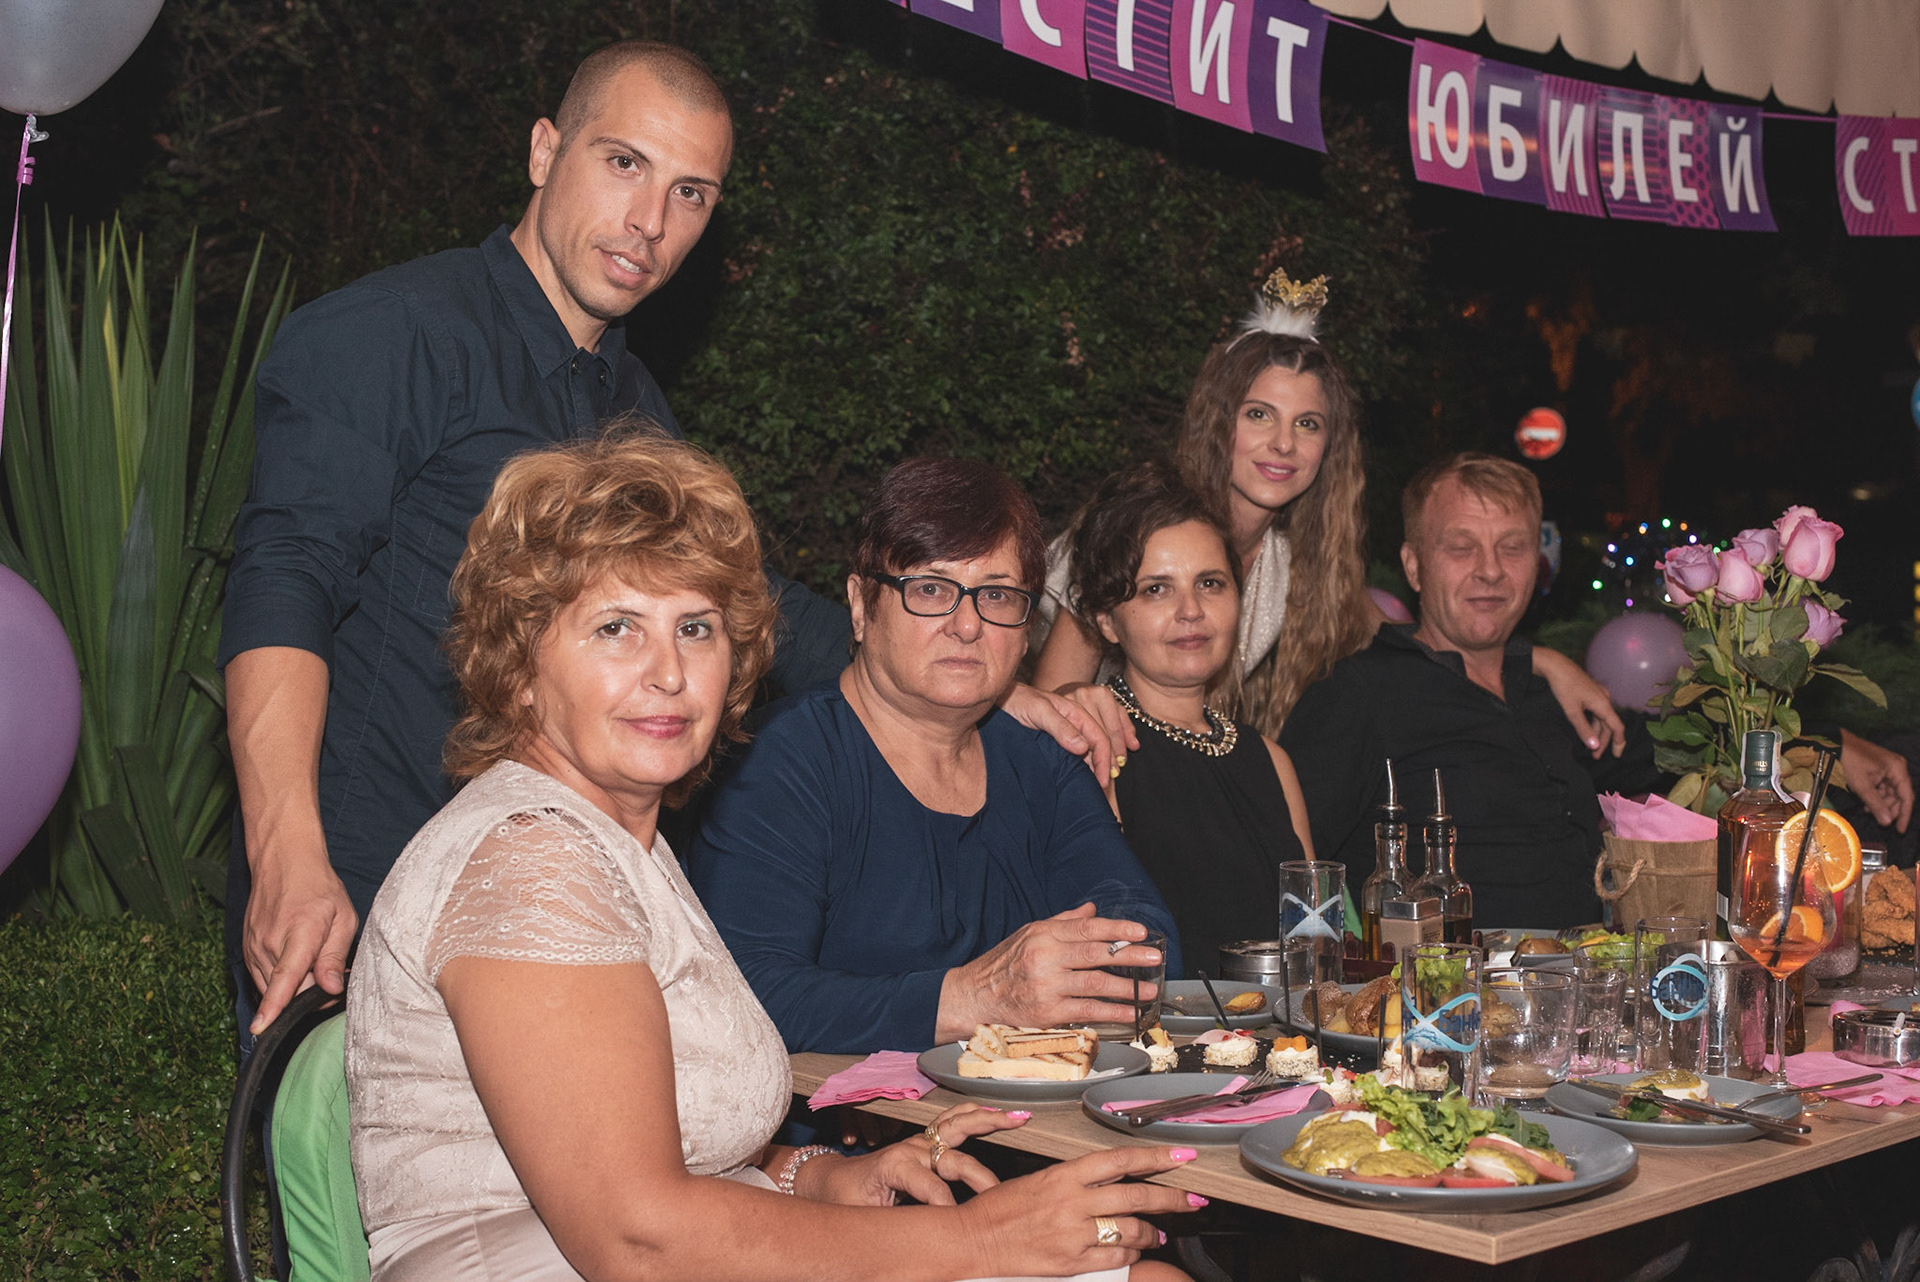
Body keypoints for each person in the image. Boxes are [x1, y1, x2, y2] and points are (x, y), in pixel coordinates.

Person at [221, 40, 1115, 1039]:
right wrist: (285, 854)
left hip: (559, 900)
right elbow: (284, 579)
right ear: (544, 150)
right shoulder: (391, 332)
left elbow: (752, 604)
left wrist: (971, 676)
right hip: (365, 898)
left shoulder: (634, 404)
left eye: (691, 193)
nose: (650, 221)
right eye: (624, 163)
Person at [346, 427, 1195, 1282]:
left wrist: (815, 1176)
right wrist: (981, 1240)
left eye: (696, 628)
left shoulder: (623, 845)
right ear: (522, 664)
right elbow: (637, 1239)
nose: (668, 672)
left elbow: (674, 1153)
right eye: (615, 628)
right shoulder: (532, 863)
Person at [686, 458, 1181, 1053]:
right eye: (930, 590)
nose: (967, 625)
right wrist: (972, 998)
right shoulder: (779, 762)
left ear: (1027, 626)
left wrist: (1084, 971)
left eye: (997, 595)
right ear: (861, 606)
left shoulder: (1041, 757)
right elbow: (749, 993)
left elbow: (1148, 936)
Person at [1032, 269, 1625, 754]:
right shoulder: (1136, 524)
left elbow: (1414, 642)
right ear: (1218, 422)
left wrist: (1540, 660)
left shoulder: (1295, 563)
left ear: (1328, 448)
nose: (1283, 444)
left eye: (1308, 424)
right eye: (1259, 414)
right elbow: (1054, 706)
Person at [1280, 454, 1666, 927]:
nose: (1490, 570)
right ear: (1414, 566)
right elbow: (1281, 867)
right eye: (1462, 548)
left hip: (1588, 965)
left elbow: (1671, 753)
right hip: (1440, 974)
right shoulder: (1358, 695)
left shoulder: (1551, 695)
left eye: (1512, 547)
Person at [1065, 462, 1316, 971]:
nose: (1191, 610)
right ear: (1106, 620)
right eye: (1156, 589)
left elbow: (1314, 940)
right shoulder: (1092, 745)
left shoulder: (1271, 761)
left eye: (1210, 583)